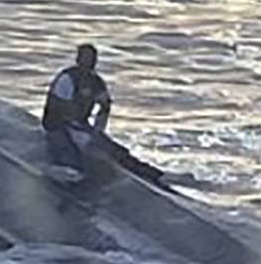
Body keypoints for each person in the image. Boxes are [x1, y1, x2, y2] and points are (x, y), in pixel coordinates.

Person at [41, 44, 167, 186]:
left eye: (92, 59)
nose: (89, 63)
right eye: (85, 59)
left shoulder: (97, 82)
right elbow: (57, 105)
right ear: (78, 59)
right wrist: (77, 127)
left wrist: (98, 130)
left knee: (115, 151)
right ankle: (66, 174)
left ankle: (151, 174)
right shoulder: (67, 79)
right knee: (69, 151)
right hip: (58, 126)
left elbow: (105, 106)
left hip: (81, 127)